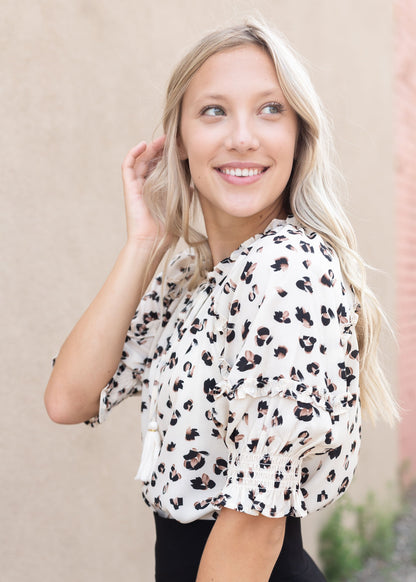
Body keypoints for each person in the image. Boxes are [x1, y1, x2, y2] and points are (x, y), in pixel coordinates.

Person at [44, 19, 399, 582]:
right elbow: (70, 399)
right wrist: (144, 244)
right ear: (179, 142)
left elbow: (255, 526)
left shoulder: (288, 273)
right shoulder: (195, 274)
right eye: (214, 111)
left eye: (270, 109)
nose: (242, 137)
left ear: (299, 136)